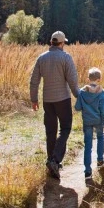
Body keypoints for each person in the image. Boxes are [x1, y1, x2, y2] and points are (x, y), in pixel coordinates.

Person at [30, 30, 79, 179]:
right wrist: (79, 97)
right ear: (62, 43)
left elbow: (34, 80)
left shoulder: (41, 58)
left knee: (50, 131)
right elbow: (72, 80)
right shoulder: (65, 57)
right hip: (63, 100)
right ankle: (55, 160)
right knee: (65, 128)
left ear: (51, 42)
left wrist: (34, 99)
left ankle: (51, 162)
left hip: (47, 101)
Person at [75, 67, 104, 178]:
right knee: (100, 138)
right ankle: (100, 160)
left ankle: (87, 171)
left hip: (87, 121)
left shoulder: (82, 92)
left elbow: (77, 107)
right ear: (99, 79)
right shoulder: (101, 93)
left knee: (88, 145)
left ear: (88, 78)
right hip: (98, 121)